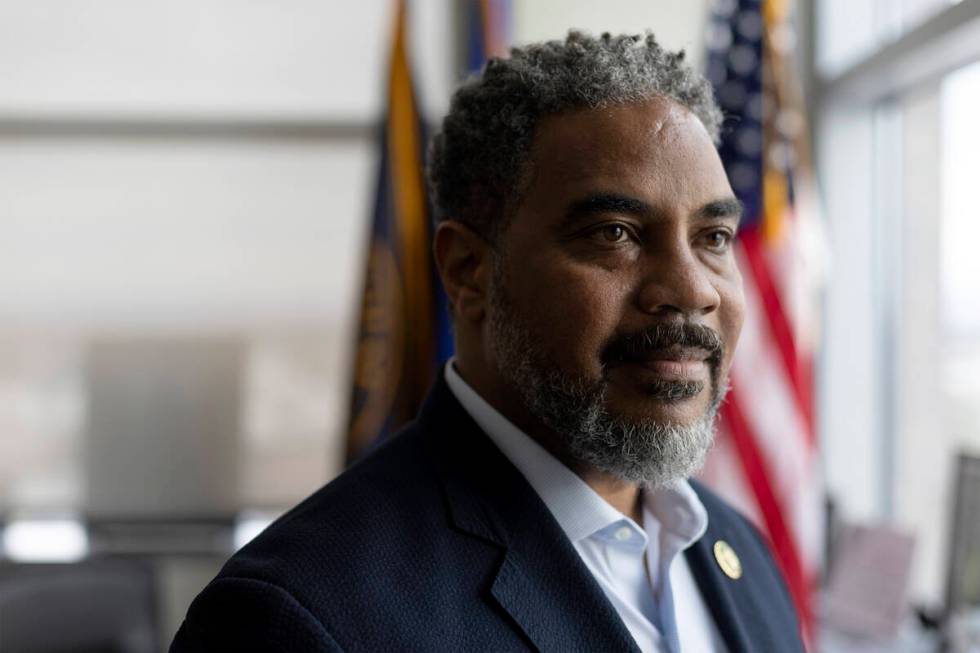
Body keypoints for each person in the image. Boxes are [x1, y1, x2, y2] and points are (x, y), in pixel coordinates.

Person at [171, 31, 804, 653]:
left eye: (713, 237)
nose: (691, 290)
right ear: (468, 271)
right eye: (615, 233)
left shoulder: (737, 548)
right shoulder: (296, 616)